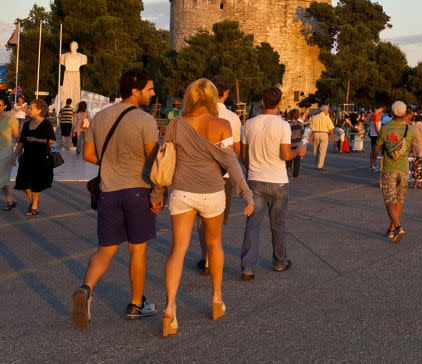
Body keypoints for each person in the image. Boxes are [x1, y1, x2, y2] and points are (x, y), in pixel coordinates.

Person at [160, 79, 255, 336]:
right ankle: (216, 298)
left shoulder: (176, 124)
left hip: (182, 192)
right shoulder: (222, 125)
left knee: (178, 249)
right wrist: (246, 193)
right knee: (214, 244)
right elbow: (231, 163)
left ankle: (169, 308)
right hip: (212, 192)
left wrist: (157, 194)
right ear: (213, 98)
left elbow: (164, 158)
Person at [74, 68, 162, 329]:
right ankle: (136, 304)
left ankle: (86, 288)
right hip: (137, 191)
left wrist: (112, 160)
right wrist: (158, 193)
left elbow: (88, 155)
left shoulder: (100, 117)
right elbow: (154, 160)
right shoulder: (145, 120)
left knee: (106, 249)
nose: (153, 93)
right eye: (149, 89)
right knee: (137, 249)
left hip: (109, 192)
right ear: (135, 91)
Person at [240, 87, 304, 281]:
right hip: (277, 181)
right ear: (279, 103)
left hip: (255, 179)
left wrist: (252, 168)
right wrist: (298, 152)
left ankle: (247, 267)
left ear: (262, 101)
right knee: (278, 223)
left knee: (253, 223)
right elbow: (285, 155)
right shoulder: (283, 125)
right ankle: (279, 261)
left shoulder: (249, 124)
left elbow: (243, 155)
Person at [195, 75, 243, 275]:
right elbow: (236, 150)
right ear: (227, 94)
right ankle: (210, 259)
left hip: (196, 174)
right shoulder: (232, 118)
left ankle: (205, 254)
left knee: (200, 219)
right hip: (221, 175)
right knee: (216, 218)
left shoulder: (194, 114)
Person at [374, 101, 413, 243]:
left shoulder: (385, 129)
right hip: (404, 169)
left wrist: (372, 160)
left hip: (389, 168)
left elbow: (377, 147)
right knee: (399, 200)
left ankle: (397, 227)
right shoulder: (410, 129)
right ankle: (391, 229)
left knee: (390, 200)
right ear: (404, 113)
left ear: (391, 111)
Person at [12, 99, 56, 216]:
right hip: (26, 157)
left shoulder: (46, 124)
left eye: (31, 108)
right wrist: (15, 155)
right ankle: (33, 202)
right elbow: (21, 142)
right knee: (22, 183)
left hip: (40, 157)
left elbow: (52, 140)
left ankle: (34, 206)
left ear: (39, 110)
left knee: (36, 183)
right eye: (29, 108)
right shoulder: (26, 124)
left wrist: (37, 140)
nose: (28, 110)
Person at [1, 95, 21, 211]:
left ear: (4, 106)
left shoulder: (11, 119)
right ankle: (10, 201)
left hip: (5, 151)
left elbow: (18, 138)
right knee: (2, 179)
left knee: (0, 177)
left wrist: (17, 154)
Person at [309, 105, 335, 169]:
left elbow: (311, 129)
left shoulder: (314, 117)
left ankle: (317, 163)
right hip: (324, 134)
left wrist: (310, 137)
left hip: (316, 134)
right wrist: (332, 136)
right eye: (327, 110)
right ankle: (320, 166)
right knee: (322, 151)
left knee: (315, 150)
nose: (328, 111)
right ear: (325, 110)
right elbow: (331, 129)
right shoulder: (327, 118)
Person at [286, 109, 305, 178]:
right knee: (297, 160)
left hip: (289, 143)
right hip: (298, 144)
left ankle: (288, 168)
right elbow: (302, 133)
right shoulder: (300, 124)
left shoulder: (287, 124)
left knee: (289, 158)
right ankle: (295, 174)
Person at [368, 103, 386, 172]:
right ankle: (373, 165)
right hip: (375, 134)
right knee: (375, 151)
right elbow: (376, 126)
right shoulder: (376, 115)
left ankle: (372, 165)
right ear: (381, 108)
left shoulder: (373, 114)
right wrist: (379, 134)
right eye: (382, 110)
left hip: (372, 133)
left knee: (373, 150)